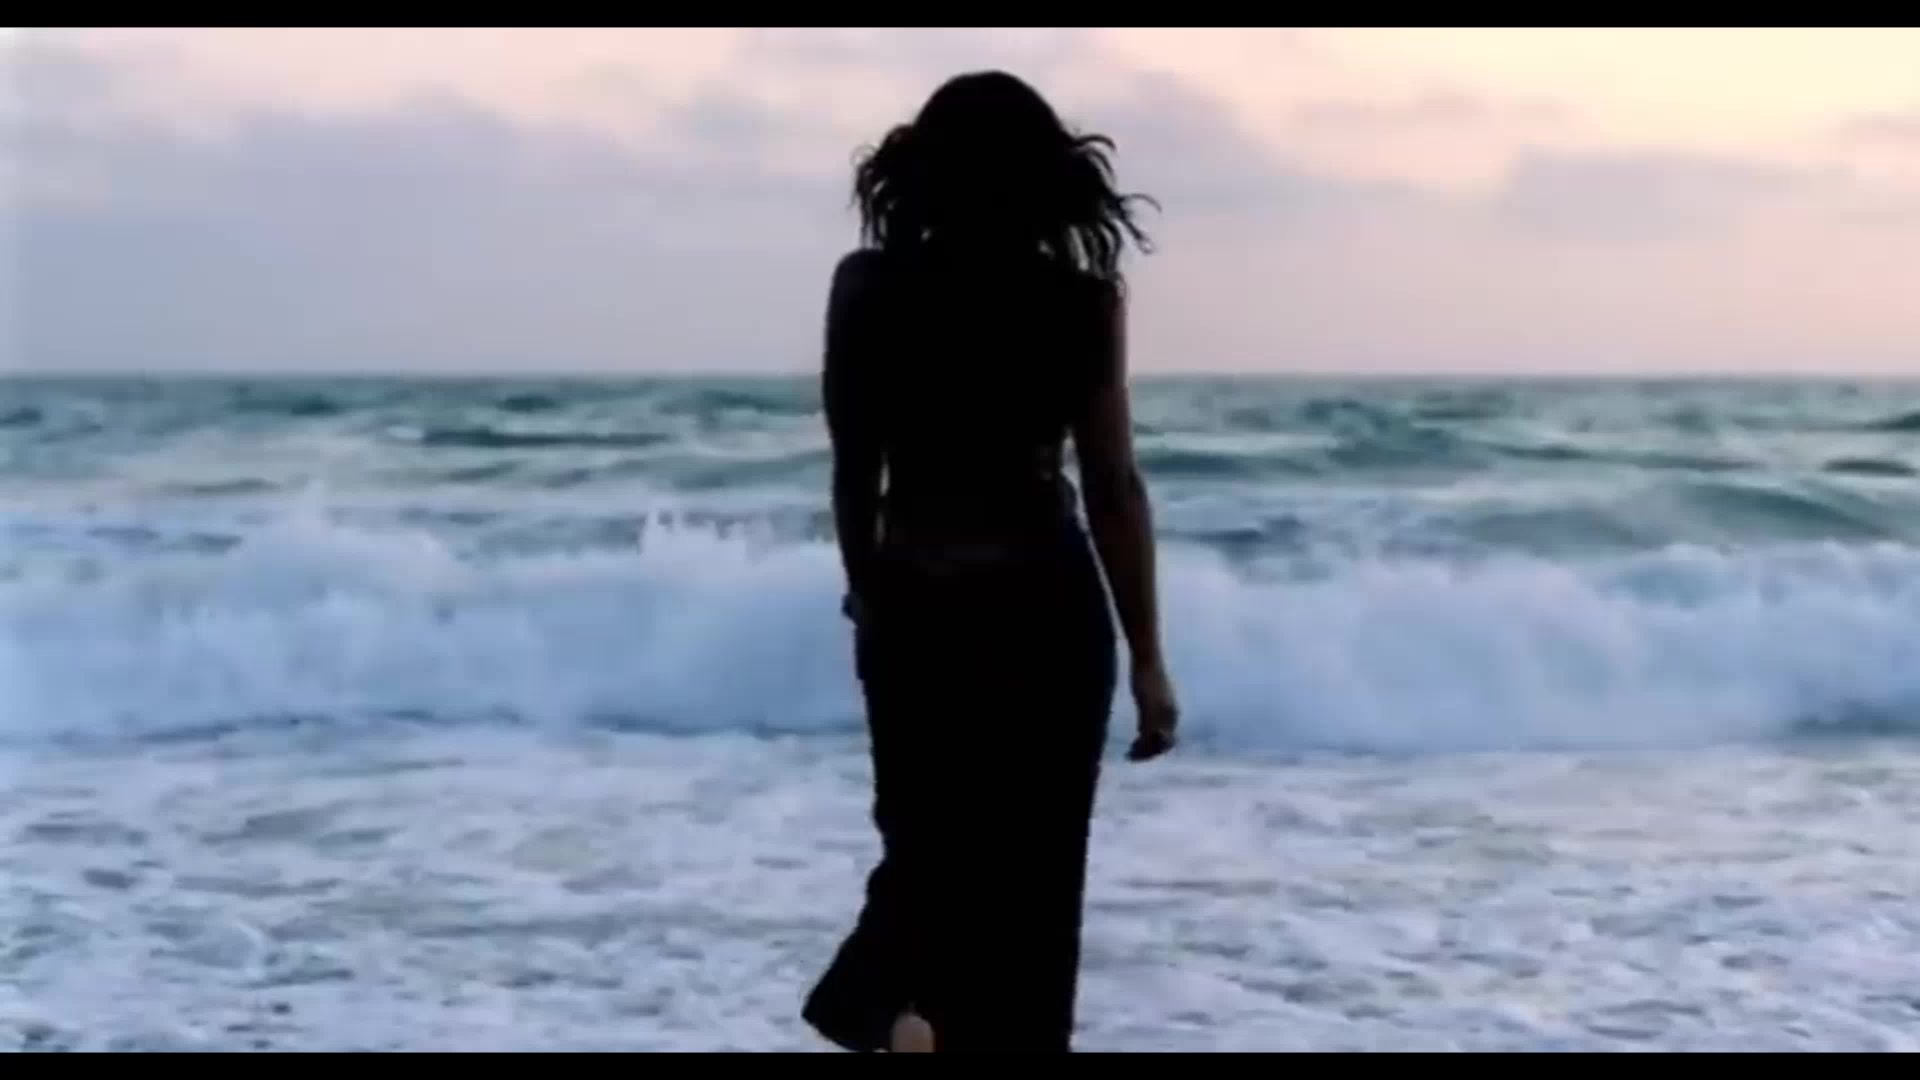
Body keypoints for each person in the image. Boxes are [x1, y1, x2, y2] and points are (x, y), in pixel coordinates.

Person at [801, 70, 1180, 1054]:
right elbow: (1113, 487)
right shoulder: (1080, 301)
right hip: (1050, 615)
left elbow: (856, 469)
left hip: (918, 604)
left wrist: (868, 597)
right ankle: (890, 1017)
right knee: (1035, 895)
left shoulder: (869, 289)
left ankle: (885, 1015)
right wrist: (1147, 657)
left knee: (923, 863)